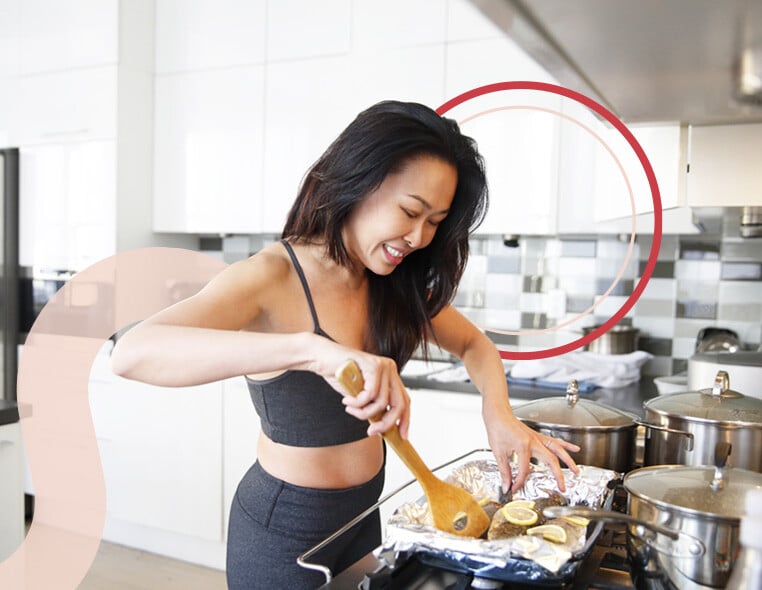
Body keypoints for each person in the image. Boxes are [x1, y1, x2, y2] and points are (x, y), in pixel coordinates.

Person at [110, 100, 580, 588]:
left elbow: (475, 346)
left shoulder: (390, 280)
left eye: (435, 221)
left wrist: (498, 414)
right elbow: (134, 352)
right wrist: (313, 351)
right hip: (283, 530)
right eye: (410, 211)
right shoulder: (271, 276)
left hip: (364, 517)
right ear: (360, 181)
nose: (419, 238)